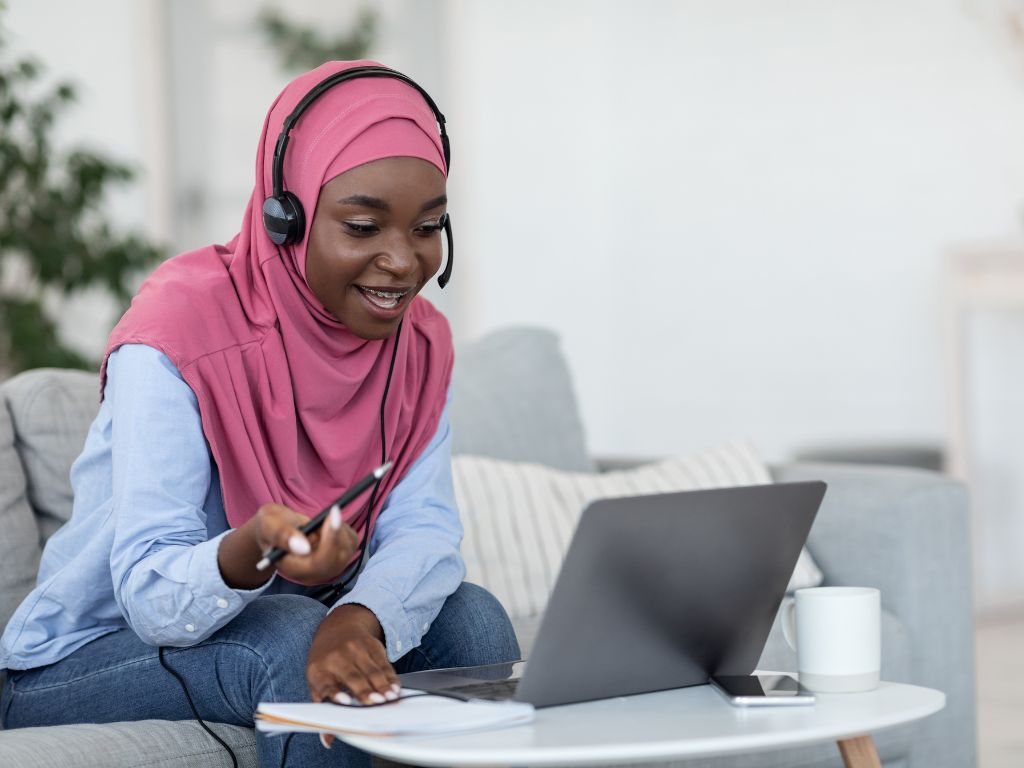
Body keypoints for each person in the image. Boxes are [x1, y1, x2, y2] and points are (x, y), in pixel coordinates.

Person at [0, 60, 521, 767]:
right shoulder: (176, 332)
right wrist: (250, 549)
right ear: (288, 218)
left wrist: (357, 618)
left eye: (428, 226)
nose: (402, 260)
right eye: (364, 226)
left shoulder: (419, 343)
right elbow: (150, 593)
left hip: (287, 618)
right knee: (291, 636)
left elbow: (424, 529)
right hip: (88, 656)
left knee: (476, 625)